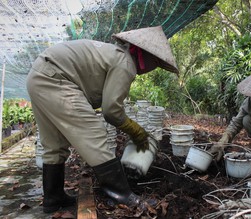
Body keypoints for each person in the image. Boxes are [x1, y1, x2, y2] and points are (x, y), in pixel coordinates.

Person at [26, 26, 179, 213]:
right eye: (156, 62)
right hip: (55, 78)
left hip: (38, 75)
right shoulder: (125, 63)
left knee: (54, 144)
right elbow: (111, 110)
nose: (154, 67)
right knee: (94, 132)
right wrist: (136, 131)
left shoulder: (114, 54)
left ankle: (53, 197)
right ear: (144, 55)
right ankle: (121, 194)